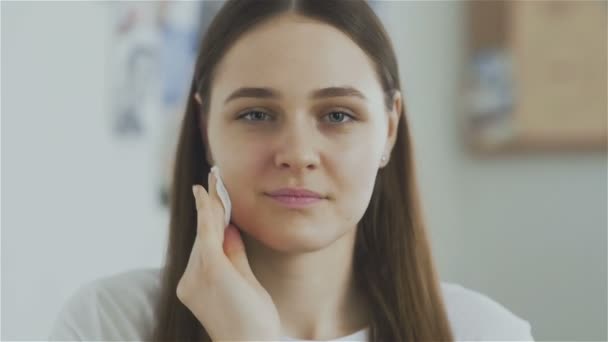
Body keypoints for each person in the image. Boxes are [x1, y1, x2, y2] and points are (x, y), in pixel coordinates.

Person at [49, 1, 535, 341]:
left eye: (338, 115)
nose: (298, 153)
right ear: (204, 126)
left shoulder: (485, 333)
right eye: (257, 114)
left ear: (388, 130)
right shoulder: (107, 324)